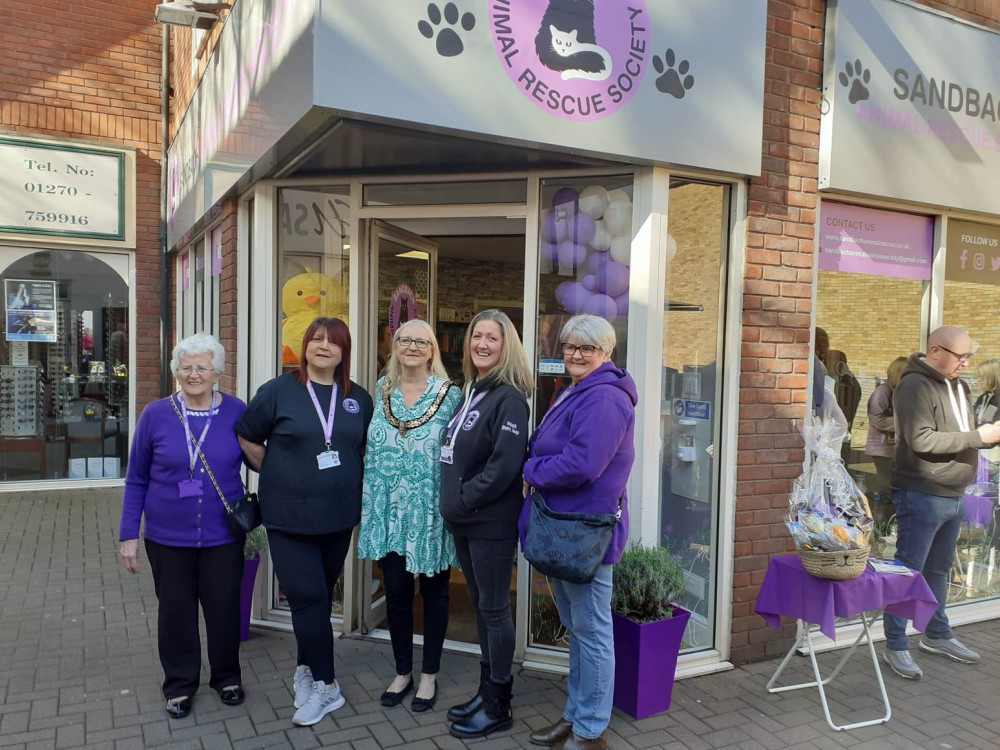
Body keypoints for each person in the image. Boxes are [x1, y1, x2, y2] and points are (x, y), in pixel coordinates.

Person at [235, 317, 374, 726]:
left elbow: (361, 449)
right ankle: (329, 688)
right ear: (304, 347)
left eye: (333, 342)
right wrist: (275, 470)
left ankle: (304, 671)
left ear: (344, 351)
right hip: (288, 517)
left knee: (315, 601)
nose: (324, 347)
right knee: (308, 599)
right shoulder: (278, 391)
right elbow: (245, 434)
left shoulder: (357, 398)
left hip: (337, 518)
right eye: (316, 340)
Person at [519, 315, 636, 750]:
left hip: (583, 535)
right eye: (570, 346)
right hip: (565, 531)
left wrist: (532, 470)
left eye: (588, 348)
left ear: (606, 352)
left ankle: (590, 731)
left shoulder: (604, 398)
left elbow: (584, 463)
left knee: (593, 633)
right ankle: (575, 716)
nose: (577, 354)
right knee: (581, 631)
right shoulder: (578, 389)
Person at [117, 332, 247, 719]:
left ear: (217, 372)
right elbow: (136, 477)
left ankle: (227, 677)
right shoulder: (155, 414)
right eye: (186, 367)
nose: (194, 374)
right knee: (175, 611)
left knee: (224, 609)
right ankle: (179, 684)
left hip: (223, 535)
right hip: (166, 536)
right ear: (175, 372)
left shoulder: (237, 412)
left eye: (202, 367)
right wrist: (128, 534)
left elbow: (260, 460)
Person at [883, 326, 1000, 680]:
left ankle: (936, 633)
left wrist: (983, 436)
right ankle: (895, 644)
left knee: (938, 570)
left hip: (952, 492)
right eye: (960, 356)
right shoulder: (914, 385)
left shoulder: (959, 386)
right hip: (921, 491)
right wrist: (977, 436)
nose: (966, 364)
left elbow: (960, 431)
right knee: (909, 570)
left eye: (969, 356)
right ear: (935, 351)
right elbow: (920, 440)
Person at [357, 319, 461, 712]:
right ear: (394, 346)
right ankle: (403, 672)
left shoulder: (451, 397)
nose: (412, 346)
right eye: (405, 340)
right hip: (389, 514)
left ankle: (429, 675)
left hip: (430, 513)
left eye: (422, 341)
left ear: (433, 350)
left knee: (435, 595)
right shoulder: (379, 393)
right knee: (397, 594)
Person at [440, 309, 531, 739]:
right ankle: (485, 690)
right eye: (477, 336)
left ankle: (499, 704)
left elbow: (504, 467)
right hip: (465, 521)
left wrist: (462, 501)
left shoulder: (509, 397)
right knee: (482, 609)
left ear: (505, 345)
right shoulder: (473, 390)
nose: (481, 344)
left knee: (494, 611)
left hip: (488, 523)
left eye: (491, 338)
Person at [864, 356, 907, 524]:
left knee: (892, 488)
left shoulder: (897, 391)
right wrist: (904, 423)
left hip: (891, 447)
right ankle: (882, 527)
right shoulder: (882, 391)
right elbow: (876, 419)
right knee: (887, 489)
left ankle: (886, 525)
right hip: (881, 448)